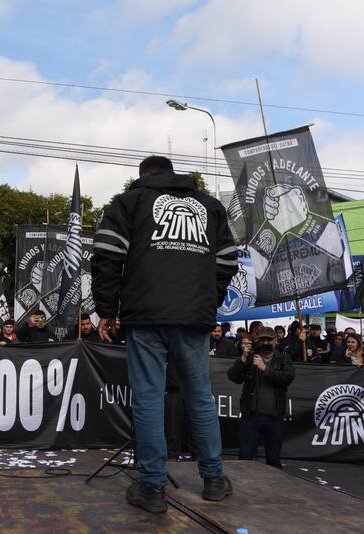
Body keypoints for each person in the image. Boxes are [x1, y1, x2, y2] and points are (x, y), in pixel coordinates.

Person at [92, 155, 237, 512]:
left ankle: (153, 489)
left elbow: (107, 255)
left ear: (144, 176)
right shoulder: (211, 206)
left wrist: (107, 310)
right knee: (200, 397)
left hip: (145, 316)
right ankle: (214, 480)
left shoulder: (129, 202)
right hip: (193, 318)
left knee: (148, 399)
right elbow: (228, 261)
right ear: (173, 174)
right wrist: (207, 302)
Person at [227, 326, 295, 468]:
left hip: (274, 416)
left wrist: (265, 368)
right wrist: (244, 358)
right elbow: (233, 377)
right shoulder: (251, 357)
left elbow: (287, 378)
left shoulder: (282, 359)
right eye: (262, 340)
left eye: (268, 340)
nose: (265, 343)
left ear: (275, 341)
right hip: (251, 415)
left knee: (273, 459)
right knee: (245, 458)